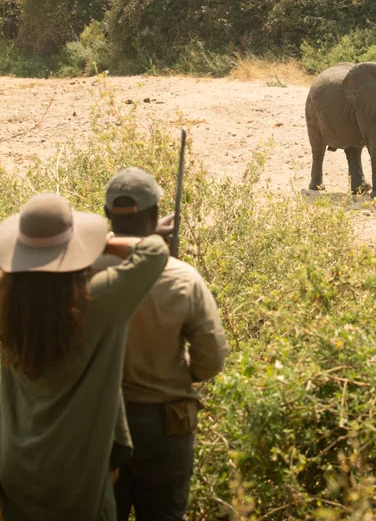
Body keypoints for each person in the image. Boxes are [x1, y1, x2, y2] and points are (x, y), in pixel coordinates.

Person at [0, 192, 169, 521]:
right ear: (73, 252)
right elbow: (154, 250)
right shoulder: (97, 302)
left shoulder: (1, 299)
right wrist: (101, 244)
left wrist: (17, 250)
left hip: (17, 470)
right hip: (80, 478)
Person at [95, 167, 229, 521]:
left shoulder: (82, 270)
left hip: (100, 422)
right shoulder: (182, 278)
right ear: (156, 215)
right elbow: (211, 360)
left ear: (107, 216)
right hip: (166, 424)